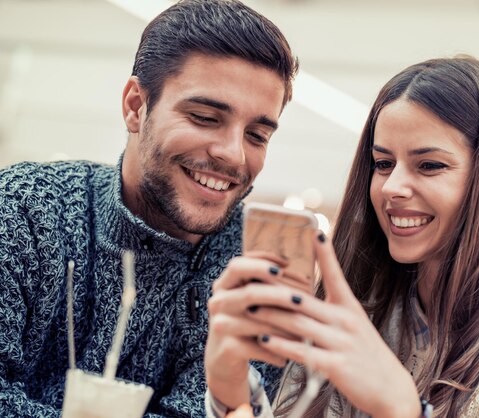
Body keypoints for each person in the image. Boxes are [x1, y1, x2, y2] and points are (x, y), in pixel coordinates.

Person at [204, 56, 479, 417]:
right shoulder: (363, 316)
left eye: (429, 166)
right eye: (383, 164)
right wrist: (228, 390)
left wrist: (402, 409)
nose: (390, 188)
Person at [0, 0, 298, 416]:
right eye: (205, 117)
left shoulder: (257, 267)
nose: (234, 155)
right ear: (136, 106)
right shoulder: (28, 208)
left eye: (257, 135)